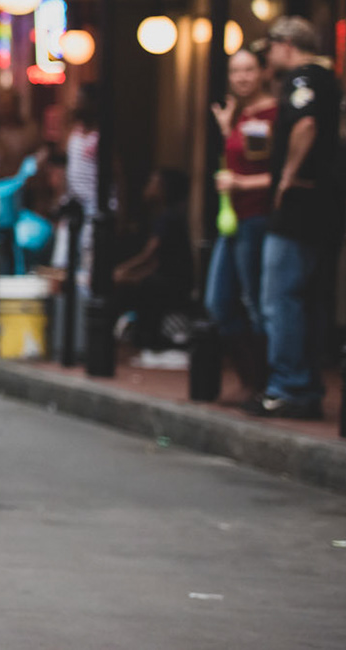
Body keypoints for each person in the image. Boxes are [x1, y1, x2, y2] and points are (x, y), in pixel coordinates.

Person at [249, 17, 343, 420]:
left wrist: (286, 176)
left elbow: (306, 124)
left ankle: (288, 385)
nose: (267, 57)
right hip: (321, 208)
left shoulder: (304, 79)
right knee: (306, 300)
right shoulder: (327, 78)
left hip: (300, 208)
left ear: (286, 44)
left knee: (281, 298)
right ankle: (304, 387)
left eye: (269, 48)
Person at [207, 47, 275, 398]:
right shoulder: (240, 113)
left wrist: (241, 184)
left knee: (255, 301)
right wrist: (226, 129)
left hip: (257, 217)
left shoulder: (272, 113)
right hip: (232, 219)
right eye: (235, 71)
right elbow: (242, 158)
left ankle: (261, 385)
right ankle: (249, 380)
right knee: (218, 301)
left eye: (249, 69)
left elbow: (274, 172)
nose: (242, 77)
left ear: (262, 72)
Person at [113, 168, 195, 355]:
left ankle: (143, 337)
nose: (148, 187)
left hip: (173, 282)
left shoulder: (168, 218)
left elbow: (149, 255)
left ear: (164, 189)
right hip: (166, 278)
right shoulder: (162, 216)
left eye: (153, 183)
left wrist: (121, 271)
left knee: (136, 287)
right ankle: (138, 335)